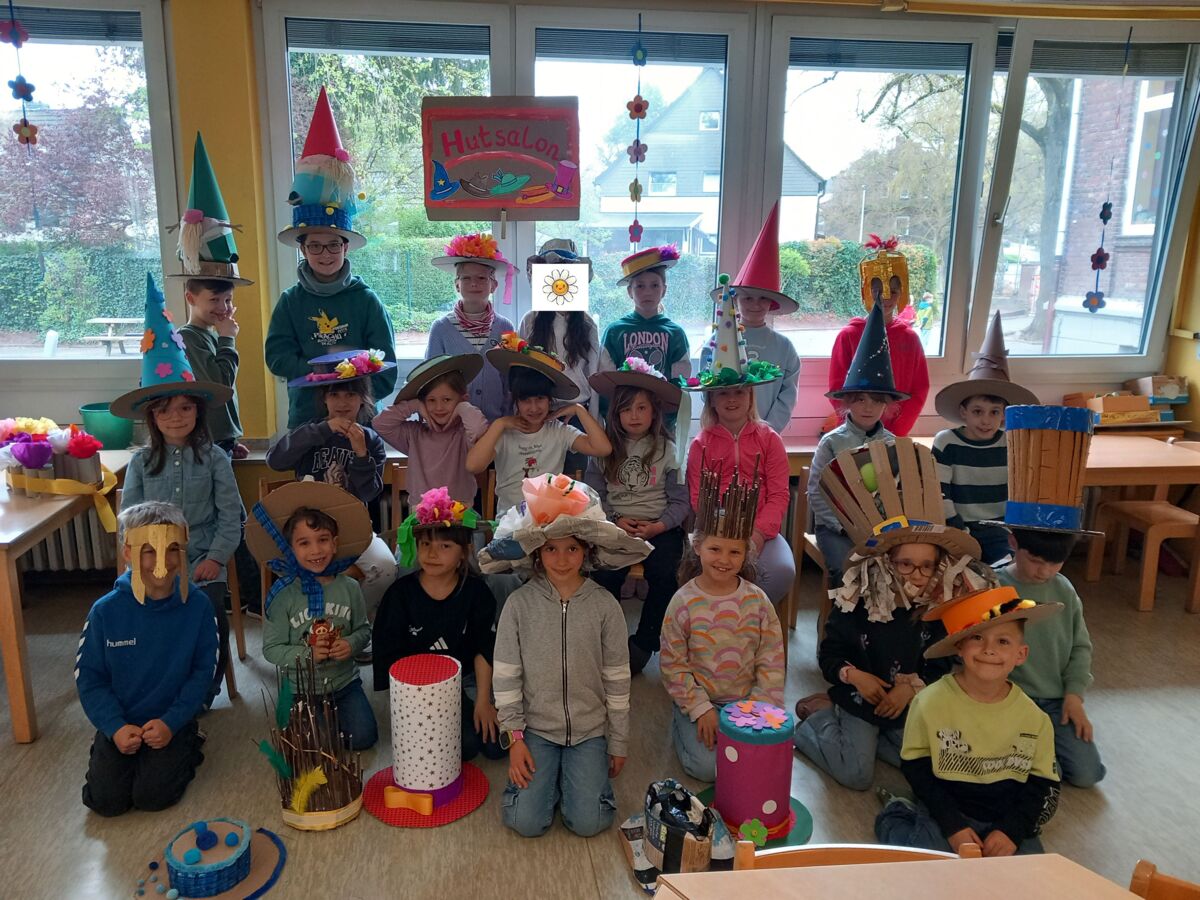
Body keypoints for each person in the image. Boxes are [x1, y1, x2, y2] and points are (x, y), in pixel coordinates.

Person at [793, 447, 997, 789]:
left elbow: (941, 664)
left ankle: (868, 740)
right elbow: (829, 655)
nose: (916, 574)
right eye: (906, 564)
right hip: (860, 697)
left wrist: (910, 688)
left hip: (906, 702)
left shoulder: (938, 605)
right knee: (856, 775)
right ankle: (817, 721)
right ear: (886, 563)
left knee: (923, 764)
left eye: (927, 566)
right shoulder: (858, 600)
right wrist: (856, 677)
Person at [484, 476, 651, 837]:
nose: (561, 559)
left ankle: (570, 781)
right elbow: (506, 678)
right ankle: (550, 781)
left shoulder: (605, 606)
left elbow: (618, 680)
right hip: (535, 729)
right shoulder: (518, 605)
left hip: (589, 731)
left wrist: (618, 741)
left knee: (590, 823)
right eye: (551, 549)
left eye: (572, 548)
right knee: (524, 822)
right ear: (537, 554)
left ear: (587, 551)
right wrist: (515, 739)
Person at [113, 274, 241, 706]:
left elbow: (231, 516)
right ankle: (159, 683)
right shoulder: (140, 463)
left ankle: (203, 689)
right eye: (165, 410)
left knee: (209, 615)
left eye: (186, 407)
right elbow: (129, 520)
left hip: (204, 559)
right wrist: (143, 560)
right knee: (145, 617)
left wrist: (216, 558)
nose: (176, 417)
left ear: (198, 411)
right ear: (152, 416)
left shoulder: (216, 458)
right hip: (151, 561)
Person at [876, 586, 1062, 856]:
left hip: (1005, 816)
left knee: (1028, 875)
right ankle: (897, 812)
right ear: (959, 647)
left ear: (1021, 654)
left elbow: (1042, 784)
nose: (989, 650)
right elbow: (916, 767)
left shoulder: (1035, 719)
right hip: (948, 811)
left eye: (1003, 641)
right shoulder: (929, 703)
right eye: (977, 637)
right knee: (926, 865)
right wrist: (953, 825)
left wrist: (1012, 830)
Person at [266, 86, 397, 428]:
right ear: (303, 248)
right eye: (315, 246)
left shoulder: (367, 302)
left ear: (346, 247)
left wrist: (354, 385)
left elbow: (386, 366)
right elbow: (277, 356)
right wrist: (320, 373)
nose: (325, 254)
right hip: (306, 421)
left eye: (333, 245)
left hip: (359, 421)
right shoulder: (291, 302)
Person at [75, 502, 217, 817]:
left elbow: (202, 673)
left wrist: (172, 722)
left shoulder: (198, 607)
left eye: (173, 549)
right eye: (150, 551)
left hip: (171, 718)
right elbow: (89, 678)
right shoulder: (105, 612)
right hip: (122, 717)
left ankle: (190, 741)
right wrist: (114, 726)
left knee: (153, 797)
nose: (162, 561)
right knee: (106, 801)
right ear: (128, 552)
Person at [660, 466, 785, 782]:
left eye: (734, 552)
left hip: (747, 703)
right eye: (715, 549)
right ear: (697, 546)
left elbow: (771, 659)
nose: (724, 559)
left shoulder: (757, 601)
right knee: (709, 768)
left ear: (746, 554)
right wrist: (699, 707)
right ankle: (681, 724)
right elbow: (673, 664)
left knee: (757, 764)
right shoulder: (682, 603)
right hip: (702, 702)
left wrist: (759, 708)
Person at [373, 487, 502, 762]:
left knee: (494, 746)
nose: (433, 553)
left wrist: (483, 701)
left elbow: (484, 646)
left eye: (445, 546)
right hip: (418, 688)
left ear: (464, 552)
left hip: (464, 678)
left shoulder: (477, 593)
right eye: (426, 545)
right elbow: (388, 656)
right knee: (465, 746)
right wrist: (411, 706)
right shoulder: (400, 595)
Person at [249, 481, 377, 751]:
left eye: (323, 540)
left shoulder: (349, 587)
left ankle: (333, 721)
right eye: (304, 543)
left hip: (344, 683)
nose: (316, 550)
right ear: (290, 548)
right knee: (314, 747)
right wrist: (308, 655)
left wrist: (351, 644)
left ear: (335, 543)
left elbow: (364, 630)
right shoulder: (283, 594)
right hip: (301, 689)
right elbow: (271, 649)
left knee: (363, 738)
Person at [585, 360, 689, 674]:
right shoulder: (603, 449)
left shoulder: (669, 450)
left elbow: (681, 501)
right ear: (615, 413)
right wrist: (614, 518)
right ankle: (610, 642)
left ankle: (644, 643)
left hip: (659, 527)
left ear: (654, 412)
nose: (634, 416)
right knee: (604, 576)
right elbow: (592, 495)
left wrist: (659, 526)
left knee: (666, 575)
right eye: (626, 409)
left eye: (642, 408)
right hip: (615, 524)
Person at [999, 529, 1105, 788]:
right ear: (1013, 542)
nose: (1044, 571)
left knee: (1087, 774)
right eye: (1035, 560)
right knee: (1029, 773)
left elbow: (1080, 646)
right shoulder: (994, 586)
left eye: (1056, 563)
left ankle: (1043, 749)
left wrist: (1074, 696)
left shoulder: (1064, 588)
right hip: (1009, 700)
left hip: (1056, 701)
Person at [170, 132, 252, 459]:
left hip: (220, 442)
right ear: (191, 298)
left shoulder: (210, 334)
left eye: (228, 300)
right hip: (205, 445)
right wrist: (228, 339)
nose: (224, 307)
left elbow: (222, 400)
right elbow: (220, 386)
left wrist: (230, 437)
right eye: (214, 300)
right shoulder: (189, 338)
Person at [933, 311, 1038, 565]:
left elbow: (1020, 491)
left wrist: (1013, 531)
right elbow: (940, 492)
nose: (986, 420)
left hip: (1000, 530)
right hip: (957, 528)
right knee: (956, 573)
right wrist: (958, 530)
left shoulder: (1011, 444)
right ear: (963, 412)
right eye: (977, 412)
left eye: (994, 412)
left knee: (1005, 571)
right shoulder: (946, 442)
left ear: (1004, 414)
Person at [467, 333, 611, 516]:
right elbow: (473, 466)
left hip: (549, 522)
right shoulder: (503, 433)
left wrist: (578, 409)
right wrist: (499, 424)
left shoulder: (559, 431)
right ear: (516, 401)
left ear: (550, 399)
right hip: (510, 523)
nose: (534, 408)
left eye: (540, 399)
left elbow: (603, 449)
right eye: (526, 400)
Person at [810, 301, 903, 582]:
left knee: (900, 568)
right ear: (848, 402)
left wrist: (886, 527)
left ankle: (881, 611)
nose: (868, 407)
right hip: (836, 528)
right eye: (860, 399)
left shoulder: (893, 444)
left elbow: (899, 491)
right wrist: (843, 527)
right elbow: (816, 492)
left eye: (876, 400)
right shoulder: (832, 443)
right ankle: (844, 612)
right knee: (847, 569)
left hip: (882, 527)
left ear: (886, 405)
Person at [698, 203, 801, 434]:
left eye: (763, 298)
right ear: (735, 300)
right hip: (723, 430)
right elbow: (707, 387)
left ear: (772, 303)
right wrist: (724, 424)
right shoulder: (716, 342)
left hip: (765, 434)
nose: (755, 304)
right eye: (748, 298)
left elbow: (788, 393)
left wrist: (767, 430)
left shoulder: (784, 347)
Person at [828, 236, 928, 436]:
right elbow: (837, 388)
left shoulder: (909, 339)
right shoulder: (849, 336)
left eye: (893, 291)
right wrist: (855, 427)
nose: (885, 297)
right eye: (878, 290)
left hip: (893, 433)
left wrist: (896, 431)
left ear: (901, 293)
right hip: (853, 431)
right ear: (868, 291)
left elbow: (919, 390)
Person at [266, 351, 390, 509]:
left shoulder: (371, 440)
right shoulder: (310, 431)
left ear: (362, 399)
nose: (342, 403)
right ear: (324, 398)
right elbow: (275, 462)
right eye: (334, 395)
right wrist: (322, 430)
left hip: (351, 517)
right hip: (310, 516)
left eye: (350, 395)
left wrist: (362, 455)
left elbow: (369, 494)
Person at [521, 238, 601, 475]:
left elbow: (594, 374)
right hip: (538, 411)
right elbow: (521, 368)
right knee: (538, 475)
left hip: (575, 413)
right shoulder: (531, 320)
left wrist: (592, 420)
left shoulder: (586, 324)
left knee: (573, 479)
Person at [372, 354, 488, 505]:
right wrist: (415, 405)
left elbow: (479, 430)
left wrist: (462, 407)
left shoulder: (464, 433)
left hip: (460, 508)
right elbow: (379, 423)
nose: (439, 407)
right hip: (421, 509)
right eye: (431, 400)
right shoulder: (414, 434)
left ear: (462, 399)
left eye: (447, 400)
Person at [426, 232, 517, 422]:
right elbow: (431, 378)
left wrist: (507, 418)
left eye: (482, 278)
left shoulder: (505, 327)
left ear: (494, 285)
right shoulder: (441, 328)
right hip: (453, 425)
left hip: (496, 424)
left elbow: (510, 378)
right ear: (457, 285)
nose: (474, 283)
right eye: (466, 278)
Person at [598, 244, 691, 383]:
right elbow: (607, 381)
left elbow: (679, 385)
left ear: (664, 290)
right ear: (630, 291)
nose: (647, 292)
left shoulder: (676, 334)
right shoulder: (614, 332)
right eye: (640, 286)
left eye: (655, 285)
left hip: (662, 398)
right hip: (624, 398)